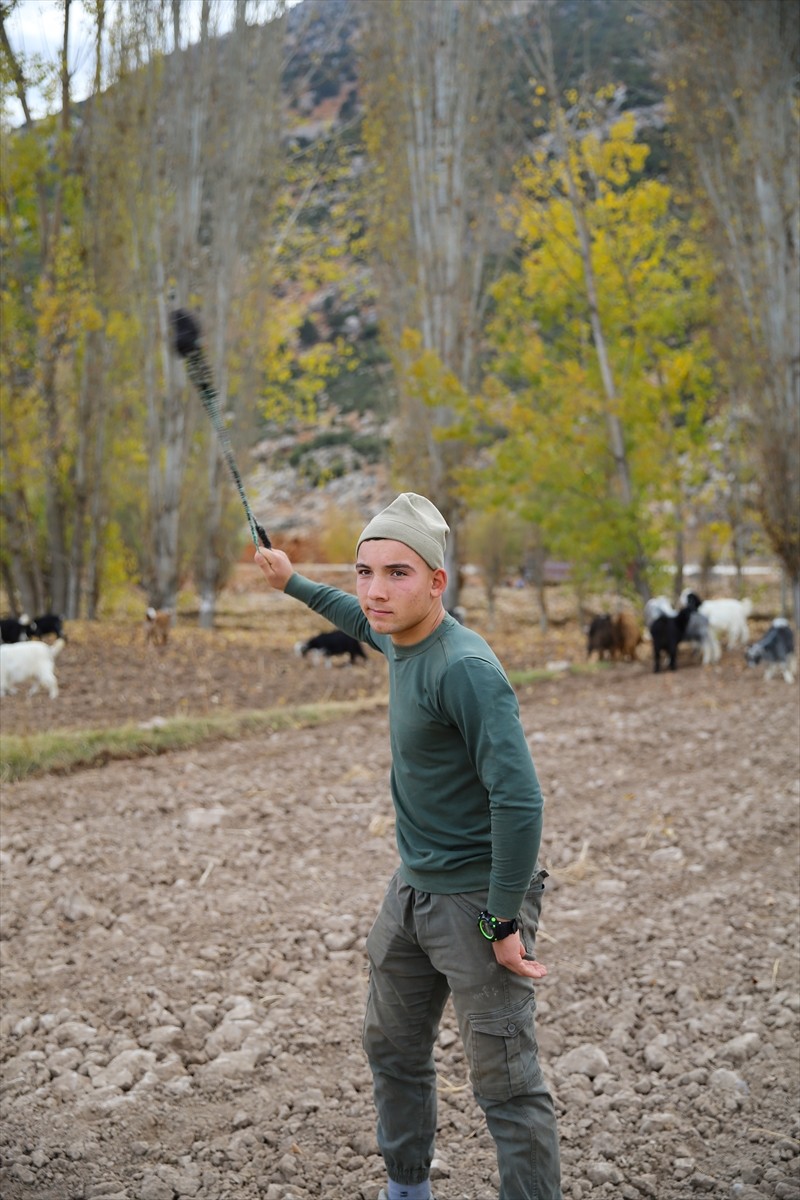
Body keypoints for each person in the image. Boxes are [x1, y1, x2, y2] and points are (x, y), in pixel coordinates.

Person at [255, 493, 562, 1200]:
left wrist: (504, 919)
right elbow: (349, 614)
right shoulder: (394, 629)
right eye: (365, 570)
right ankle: (408, 1189)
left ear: (436, 582)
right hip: (411, 889)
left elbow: (519, 799)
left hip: (476, 900)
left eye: (397, 572)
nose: (374, 590)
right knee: (392, 1051)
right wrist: (291, 580)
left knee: (507, 1088)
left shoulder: (466, 670)